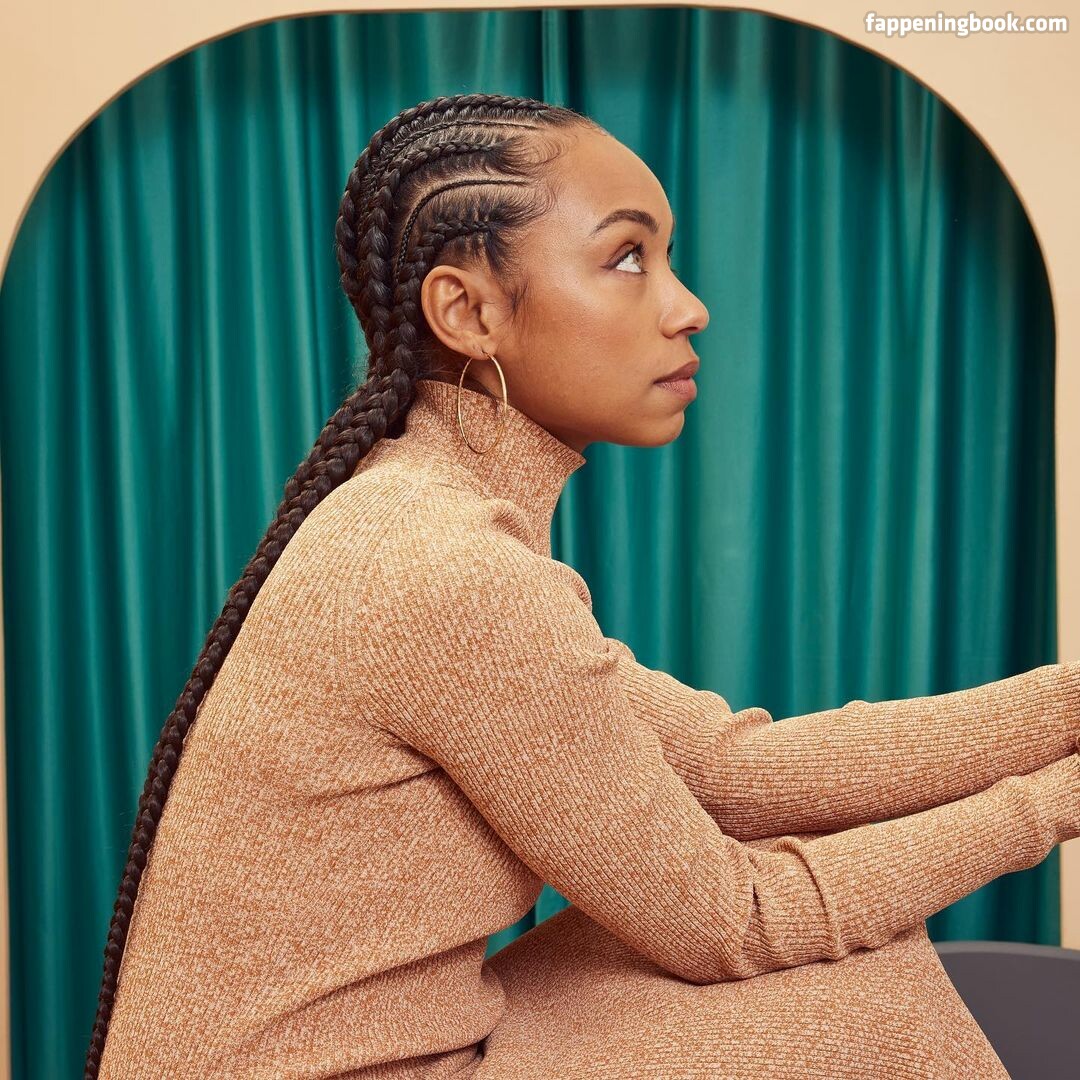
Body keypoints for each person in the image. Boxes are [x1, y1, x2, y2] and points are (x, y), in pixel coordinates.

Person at [86, 92, 1080, 1079]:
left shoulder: (421, 514)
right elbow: (735, 921)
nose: (688, 308)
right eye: (628, 258)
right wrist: (1047, 806)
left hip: (411, 1043)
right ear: (468, 312)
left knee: (845, 935)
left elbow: (731, 771)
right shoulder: (446, 568)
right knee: (862, 987)